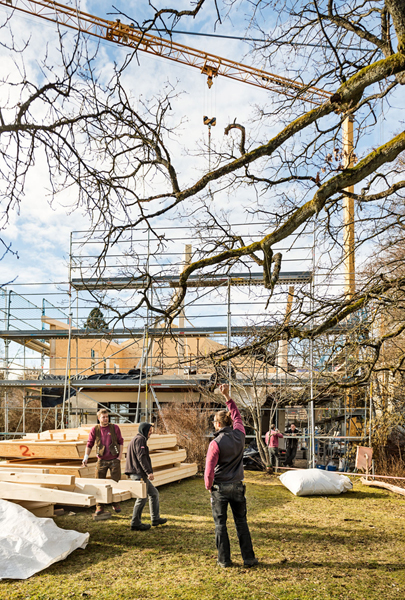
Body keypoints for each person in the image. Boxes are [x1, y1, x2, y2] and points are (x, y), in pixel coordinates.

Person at [204, 384, 258, 568]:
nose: (213, 424)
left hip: (220, 487)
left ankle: (224, 560)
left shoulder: (215, 443)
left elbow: (209, 470)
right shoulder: (240, 435)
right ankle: (249, 559)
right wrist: (227, 396)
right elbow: (237, 416)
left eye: (214, 422)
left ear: (218, 424)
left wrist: (208, 486)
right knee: (241, 522)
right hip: (237, 486)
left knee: (221, 524)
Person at [125, 422, 167, 531]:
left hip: (138, 473)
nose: (151, 433)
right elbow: (142, 457)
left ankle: (155, 519)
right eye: (149, 431)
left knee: (154, 493)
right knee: (142, 498)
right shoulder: (140, 440)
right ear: (144, 430)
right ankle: (135, 523)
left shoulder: (137, 439)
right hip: (139, 474)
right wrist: (149, 472)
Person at [82, 408, 124, 515]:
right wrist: (85, 457)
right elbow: (89, 444)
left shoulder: (114, 428)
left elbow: (120, 442)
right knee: (99, 483)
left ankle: (115, 503)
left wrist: (119, 457)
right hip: (101, 460)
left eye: (107, 417)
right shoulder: (95, 430)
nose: (106, 419)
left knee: (116, 482)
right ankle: (99, 506)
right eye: (103, 417)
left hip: (114, 459)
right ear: (98, 418)